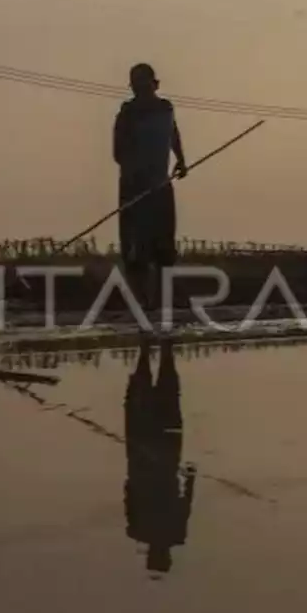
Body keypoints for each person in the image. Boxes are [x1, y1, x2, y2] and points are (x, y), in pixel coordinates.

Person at [113, 63, 187, 312]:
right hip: (135, 187)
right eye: (137, 87)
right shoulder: (128, 112)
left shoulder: (165, 109)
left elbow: (172, 134)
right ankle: (142, 302)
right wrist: (137, 173)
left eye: (143, 86)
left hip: (160, 185)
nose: (140, 91)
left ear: (151, 85)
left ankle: (159, 301)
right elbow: (118, 152)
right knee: (135, 247)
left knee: (164, 246)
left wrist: (181, 160)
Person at [123, 337, 194, 578]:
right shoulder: (140, 531)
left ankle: (159, 348)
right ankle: (154, 349)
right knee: (157, 398)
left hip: (159, 456)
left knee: (162, 396)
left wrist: (191, 478)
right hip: (146, 459)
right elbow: (129, 495)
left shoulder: (167, 533)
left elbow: (185, 505)